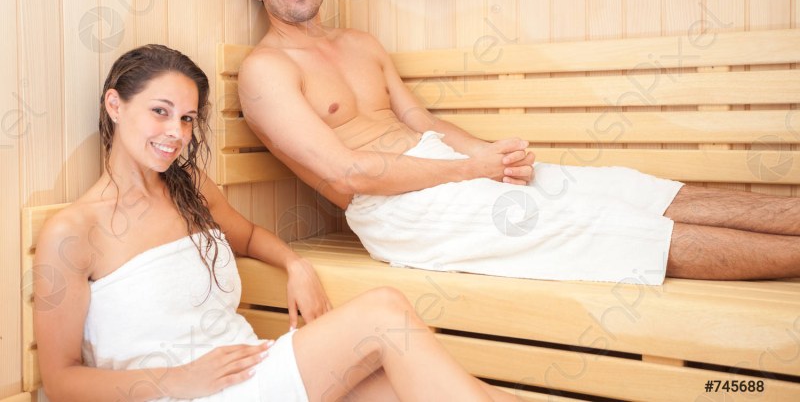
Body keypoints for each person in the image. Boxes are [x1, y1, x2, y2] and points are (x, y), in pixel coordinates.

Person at [232, 0, 800, 286]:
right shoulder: (266, 70)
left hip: (448, 167)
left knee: (630, 189)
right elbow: (347, 173)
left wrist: (494, 157)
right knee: (610, 225)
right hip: (401, 208)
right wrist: (468, 170)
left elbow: (417, 118)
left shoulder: (359, 42)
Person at [33, 44, 522, 401]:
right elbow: (60, 380)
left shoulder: (190, 189)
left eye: (186, 119)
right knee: (384, 313)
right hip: (188, 394)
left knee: (418, 388)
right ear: (114, 105)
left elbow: (246, 236)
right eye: (160, 113)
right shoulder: (74, 232)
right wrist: (180, 379)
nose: (175, 133)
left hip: (250, 367)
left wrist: (295, 264)